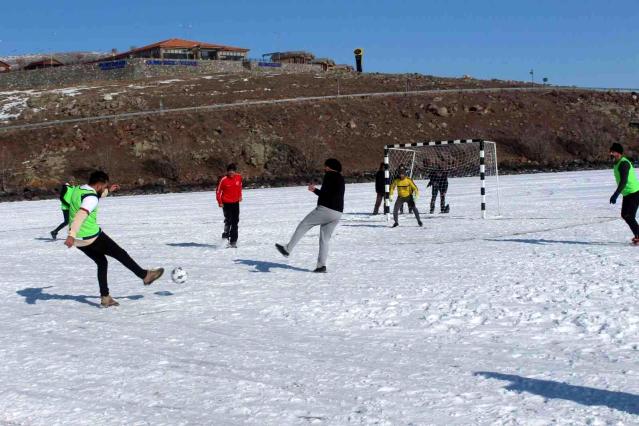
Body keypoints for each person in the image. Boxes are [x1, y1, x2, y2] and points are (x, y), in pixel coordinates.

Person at [63, 171, 164, 307]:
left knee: (102, 263)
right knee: (120, 254)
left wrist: (107, 191)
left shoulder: (78, 189)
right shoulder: (91, 198)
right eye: (105, 186)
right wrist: (71, 234)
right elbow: (81, 213)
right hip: (90, 236)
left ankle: (105, 298)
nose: (105, 188)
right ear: (98, 185)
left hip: (79, 241)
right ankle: (145, 276)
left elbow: (90, 198)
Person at [275, 158, 345, 273]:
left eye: (325, 166)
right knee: (324, 240)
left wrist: (314, 190)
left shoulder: (329, 175)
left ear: (329, 167)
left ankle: (287, 249)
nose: (324, 168)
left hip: (326, 209)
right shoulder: (341, 178)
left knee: (304, 224)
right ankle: (321, 266)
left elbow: (326, 194)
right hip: (338, 212)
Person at [609, 143, 639, 244]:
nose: (611, 153)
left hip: (634, 192)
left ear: (619, 153)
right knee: (625, 215)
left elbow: (624, 181)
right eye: (610, 151)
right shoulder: (617, 163)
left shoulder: (623, 164)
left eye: (613, 152)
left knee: (629, 216)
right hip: (627, 193)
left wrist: (616, 194)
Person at [216, 163, 243, 248]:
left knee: (235, 222)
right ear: (227, 172)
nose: (231, 172)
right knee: (228, 221)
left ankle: (233, 241)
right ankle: (225, 239)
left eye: (233, 171)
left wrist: (240, 196)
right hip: (226, 203)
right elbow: (218, 191)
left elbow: (239, 187)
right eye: (230, 171)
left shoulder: (239, 177)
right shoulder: (223, 179)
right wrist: (219, 201)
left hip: (235, 203)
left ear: (235, 171)